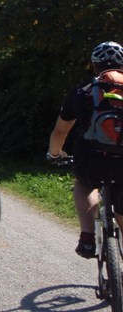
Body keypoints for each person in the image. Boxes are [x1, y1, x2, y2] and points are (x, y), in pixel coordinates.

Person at [48, 41, 123, 259]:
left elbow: (60, 132)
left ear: (94, 65)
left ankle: (88, 236)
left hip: (91, 159)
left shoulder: (82, 91)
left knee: (83, 185)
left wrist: (54, 154)